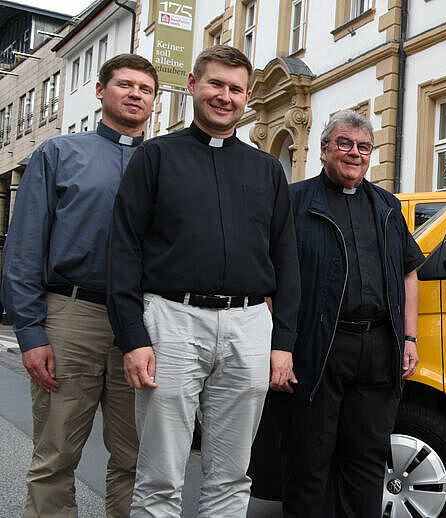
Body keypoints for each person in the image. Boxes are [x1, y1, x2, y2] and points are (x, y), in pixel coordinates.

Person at [106, 45, 300, 516]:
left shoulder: (267, 169)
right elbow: (123, 249)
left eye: (235, 89)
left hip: (249, 324)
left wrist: (283, 343)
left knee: (232, 475)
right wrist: (133, 336)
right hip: (171, 322)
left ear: (248, 97)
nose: (224, 96)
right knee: (159, 476)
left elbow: (286, 258)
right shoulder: (155, 158)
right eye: (215, 84)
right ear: (193, 85)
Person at [1, 54, 157, 518]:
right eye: (124, 84)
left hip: (142, 323)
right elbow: (25, 246)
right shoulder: (59, 154)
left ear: (154, 101)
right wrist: (31, 331)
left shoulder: (165, 161)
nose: (135, 94)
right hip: (72, 316)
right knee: (56, 455)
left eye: (145, 89)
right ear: (100, 91)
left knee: (135, 459)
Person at [279, 110, 424, 516]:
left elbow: (410, 272)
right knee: (310, 461)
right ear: (324, 150)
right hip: (318, 349)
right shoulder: (294, 203)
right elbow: (272, 279)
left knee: (366, 462)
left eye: (363, 147)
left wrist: (409, 338)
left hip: (378, 348)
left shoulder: (387, 206)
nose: (354, 154)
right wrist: (281, 345)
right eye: (344, 144)